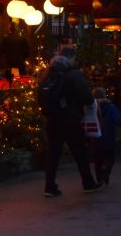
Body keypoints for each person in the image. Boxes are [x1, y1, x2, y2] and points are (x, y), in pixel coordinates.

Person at [40, 46, 104, 197]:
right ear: (71, 57)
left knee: (53, 154)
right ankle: (88, 183)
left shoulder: (48, 73)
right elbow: (87, 97)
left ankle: (50, 187)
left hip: (52, 119)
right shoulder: (74, 74)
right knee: (80, 152)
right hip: (71, 119)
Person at [91, 87, 121, 185]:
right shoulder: (110, 107)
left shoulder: (91, 107)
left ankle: (99, 179)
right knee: (109, 158)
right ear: (104, 95)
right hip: (108, 137)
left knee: (97, 160)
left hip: (94, 138)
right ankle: (106, 169)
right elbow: (118, 121)